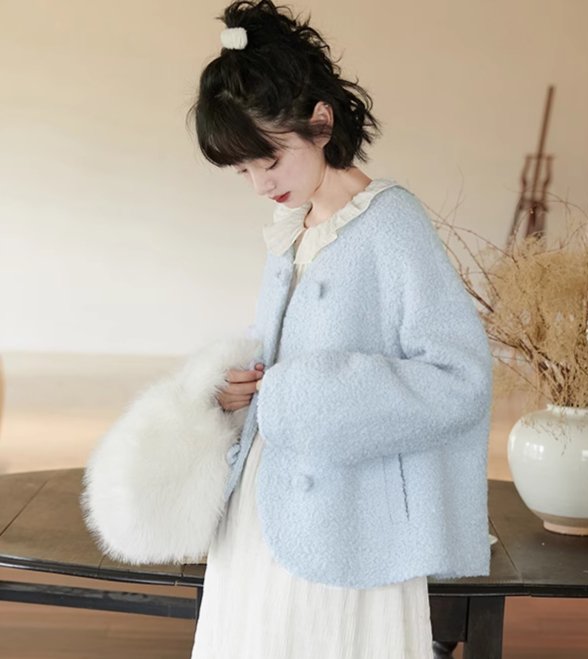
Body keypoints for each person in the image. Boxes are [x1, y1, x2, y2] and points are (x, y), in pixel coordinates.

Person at [81, 1, 492, 657]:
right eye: (242, 170)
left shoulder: (391, 224)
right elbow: (280, 365)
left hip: (346, 524)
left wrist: (306, 395)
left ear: (320, 122)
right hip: (259, 515)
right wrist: (234, 390)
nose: (258, 184)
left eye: (267, 160)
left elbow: (459, 379)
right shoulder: (290, 231)